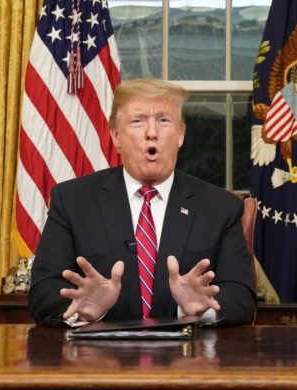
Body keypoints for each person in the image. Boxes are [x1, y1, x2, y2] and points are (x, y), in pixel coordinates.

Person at [28, 78, 257, 327]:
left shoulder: (219, 207)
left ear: (180, 135)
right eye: (138, 121)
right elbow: (43, 293)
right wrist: (84, 311)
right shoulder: (72, 201)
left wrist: (199, 310)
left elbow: (242, 297)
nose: (151, 132)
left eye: (163, 120)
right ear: (116, 136)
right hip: (99, 358)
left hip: (188, 358)